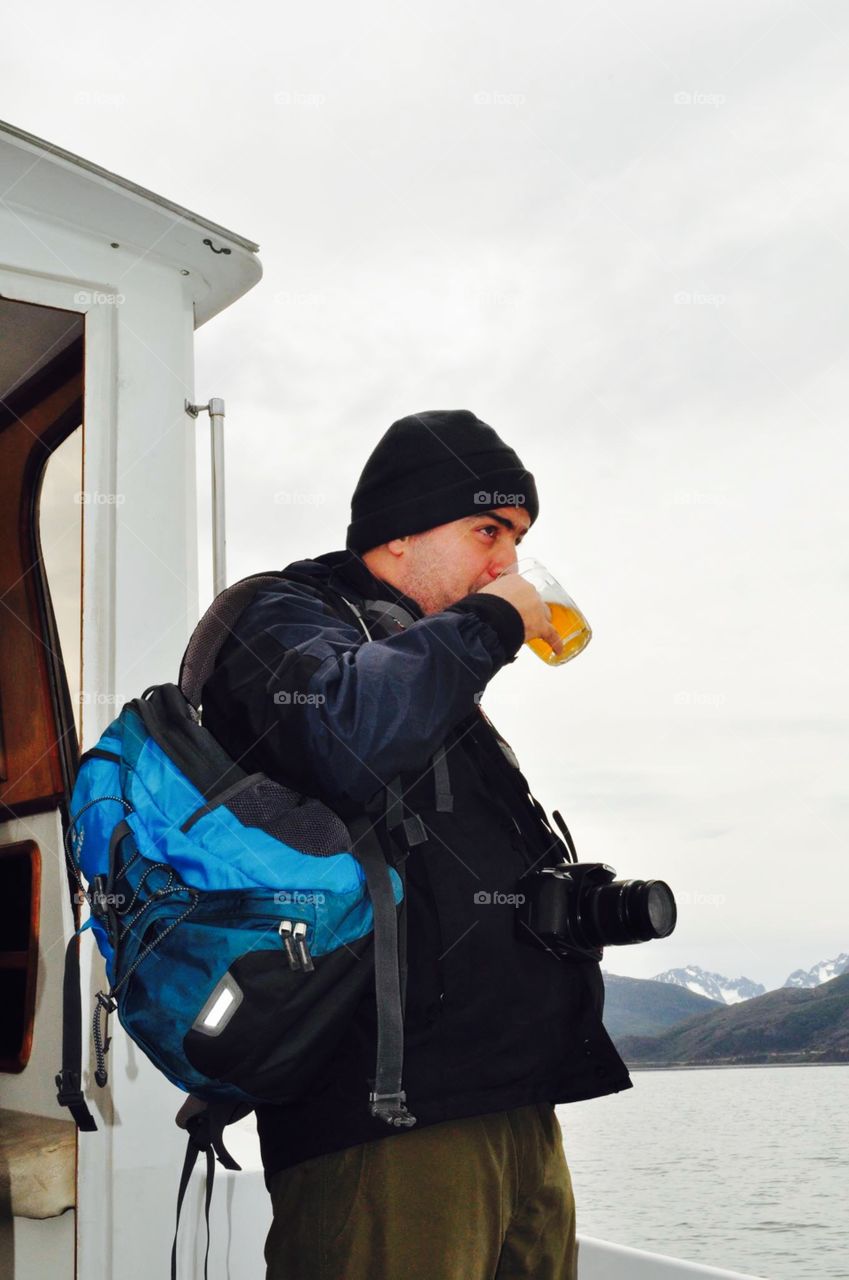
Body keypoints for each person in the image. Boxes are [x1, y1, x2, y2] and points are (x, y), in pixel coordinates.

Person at [201, 409, 632, 1280]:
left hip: (511, 1106)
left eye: (517, 539)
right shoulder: (278, 616)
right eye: (488, 530)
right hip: (386, 1120)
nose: (507, 563)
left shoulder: (412, 654)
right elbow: (340, 733)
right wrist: (492, 622)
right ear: (399, 532)